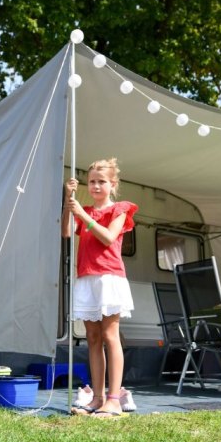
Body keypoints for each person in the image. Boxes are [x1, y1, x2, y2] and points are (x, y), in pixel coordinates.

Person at [62, 158, 138, 418]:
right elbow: (66, 232)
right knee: (92, 338)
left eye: (101, 181)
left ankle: (114, 400)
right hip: (87, 278)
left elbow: (108, 237)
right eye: (92, 181)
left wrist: (83, 215)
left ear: (113, 184)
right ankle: (97, 397)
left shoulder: (120, 209)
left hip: (109, 277)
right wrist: (68, 201)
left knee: (109, 335)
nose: (95, 186)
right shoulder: (83, 209)